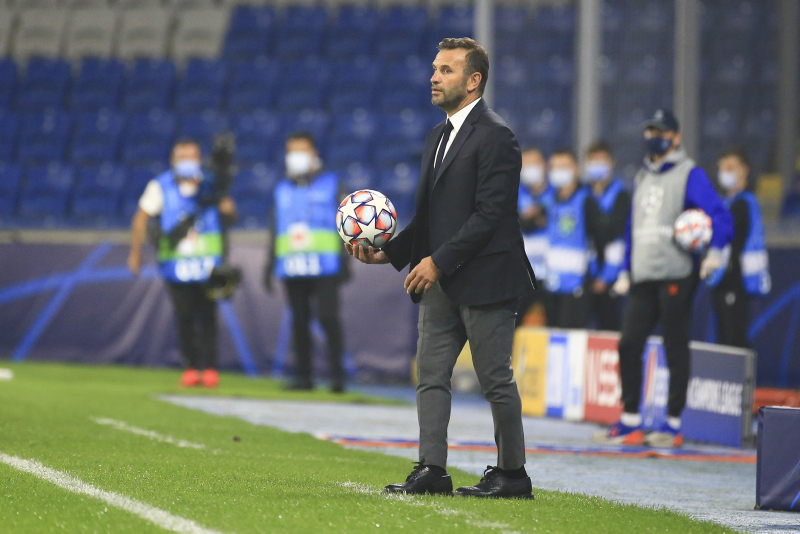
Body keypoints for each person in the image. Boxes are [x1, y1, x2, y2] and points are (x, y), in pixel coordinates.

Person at [346, 38, 535, 499]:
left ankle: (513, 475)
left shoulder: (497, 136)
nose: (434, 76)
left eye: (446, 70)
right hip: (440, 282)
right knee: (430, 375)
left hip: (487, 279)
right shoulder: (436, 136)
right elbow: (430, 218)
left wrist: (436, 261)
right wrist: (388, 253)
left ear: (474, 81)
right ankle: (432, 468)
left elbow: (490, 217)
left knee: (495, 380)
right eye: (435, 68)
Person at [595, 109, 734, 447]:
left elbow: (721, 216)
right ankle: (631, 419)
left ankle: (672, 422)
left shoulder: (690, 174)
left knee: (674, 345)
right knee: (629, 343)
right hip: (642, 276)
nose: (653, 136)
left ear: (676, 137)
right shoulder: (642, 176)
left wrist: (715, 251)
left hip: (676, 274)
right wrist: (627, 268)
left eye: (661, 130)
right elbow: (633, 228)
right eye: (650, 130)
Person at [128, 139, 237, 388]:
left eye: (192, 156)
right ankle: (190, 368)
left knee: (208, 316)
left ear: (200, 159)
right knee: (184, 316)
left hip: (208, 264)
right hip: (175, 265)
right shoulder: (160, 186)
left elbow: (230, 215)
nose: (188, 161)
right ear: (173, 161)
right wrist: (134, 253)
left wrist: (228, 210)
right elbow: (140, 218)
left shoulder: (212, 184)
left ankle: (210, 368)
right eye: (182, 156)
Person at [264, 132, 347, 393]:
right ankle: (304, 377)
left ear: (314, 154)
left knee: (328, 318)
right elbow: (276, 228)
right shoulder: (282, 189)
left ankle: (337, 376)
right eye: (292, 151)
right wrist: (270, 263)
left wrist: (347, 260)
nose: (296, 157)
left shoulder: (332, 185)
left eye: (302, 151)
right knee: (299, 321)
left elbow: (346, 222)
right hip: (293, 266)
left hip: (326, 266)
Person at [706, 147, 771, 347]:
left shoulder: (743, 203)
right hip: (723, 281)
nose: (725, 171)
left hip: (735, 282)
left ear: (744, 170)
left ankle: (740, 379)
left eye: (730, 167)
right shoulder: (726, 202)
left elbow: (725, 233)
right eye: (722, 167)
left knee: (734, 340)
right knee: (724, 338)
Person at [544, 148, 607, 329]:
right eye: (555, 167)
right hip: (553, 285)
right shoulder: (550, 201)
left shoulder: (586, 201)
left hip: (578, 287)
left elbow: (600, 239)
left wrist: (600, 274)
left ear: (575, 169)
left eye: (564, 166)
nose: (559, 171)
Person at [584, 140, 630, 331]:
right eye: (594, 161)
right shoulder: (584, 193)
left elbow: (615, 234)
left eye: (602, 161)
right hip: (587, 274)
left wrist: (606, 277)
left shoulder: (620, 195)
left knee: (609, 326)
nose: (598, 165)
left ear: (611, 163)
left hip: (612, 277)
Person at [517, 147, 554, 326]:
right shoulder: (515, 194)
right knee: (512, 325)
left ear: (544, 165)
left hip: (552, 274)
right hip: (524, 274)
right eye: (526, 165)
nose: (530, 169)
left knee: (555, 325)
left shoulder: (557, 192)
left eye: (534, 164)